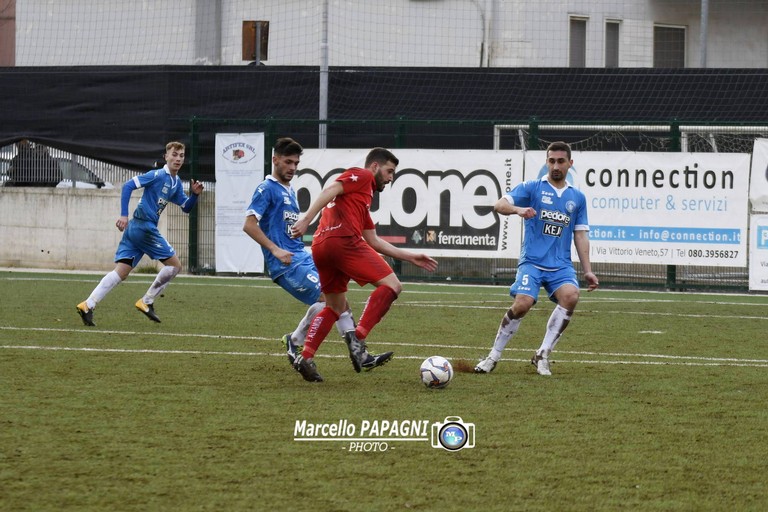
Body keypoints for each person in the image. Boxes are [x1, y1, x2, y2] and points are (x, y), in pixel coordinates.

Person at [242, 137, 393, 376]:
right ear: (275, 160)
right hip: (285, 264)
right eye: (288, 162)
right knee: (328, 300)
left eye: (296, 163)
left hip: (301, 256)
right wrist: (275, 249)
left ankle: (359, 353)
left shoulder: (288, 191)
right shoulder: (266, 189)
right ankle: (296, 340)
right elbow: (249, 225)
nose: (292, 168)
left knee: (339, 302)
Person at [290, 147, 438, 382]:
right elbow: (331, 189)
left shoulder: (360, 201)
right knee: (393, 286)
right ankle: (358, 340)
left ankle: (305, 357)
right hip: (343, 242)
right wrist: (306, 219)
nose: (391, 178)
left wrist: (409, 257)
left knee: (335, 307)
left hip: (321, 247)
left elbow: (374, 241)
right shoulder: (363, 175)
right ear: (375, 166)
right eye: (389, 171)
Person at [474, 141, 599, 376]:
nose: (555, 166)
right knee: (522, 304)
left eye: (561, 161)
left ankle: (542, 354)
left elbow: (580, 234)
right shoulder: (532, 188)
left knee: (571, 296)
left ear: (570, 164)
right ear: (546, 162)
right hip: (531, 262)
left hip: (560, 265)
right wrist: (519, 210)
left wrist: (588, 270)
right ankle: (493, 356)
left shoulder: (577, 198)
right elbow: (499, 205)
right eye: (551, 161)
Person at [76, 141, 204, 326]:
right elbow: (128, 185)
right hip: (143, 227)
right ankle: (147, 301)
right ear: (165, 157)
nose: (177, 158)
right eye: (174, 154)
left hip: (136, 229)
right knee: (175, 266)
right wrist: (123, 215)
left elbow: (186, 207)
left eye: (181, 155)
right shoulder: (157, 175)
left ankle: (87, 305)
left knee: (121, 271)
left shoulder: (175, 183)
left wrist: (195, 195)